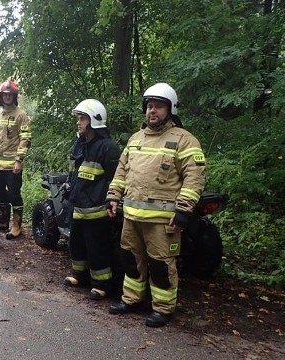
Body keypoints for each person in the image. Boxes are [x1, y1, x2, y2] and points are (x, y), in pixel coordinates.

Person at [105, 83, 206, 327]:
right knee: (130, 259)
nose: (153, 111)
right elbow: (121, 172)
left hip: (163, 220)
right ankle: (131, 299)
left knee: (161, 264)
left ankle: (163, 308)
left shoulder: (184, 140)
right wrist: (113, 196)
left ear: (170, 109)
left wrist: (184, 209)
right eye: (149, 106)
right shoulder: (136, 138)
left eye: (159, 106)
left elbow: (194, 177)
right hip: (131, 216)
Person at [62, 99, 121, 300]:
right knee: (76, 244)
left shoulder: (108, 147)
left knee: (98, 247)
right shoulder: (80, 144)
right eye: (78, 118)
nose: (78, 122)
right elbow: (75, 173)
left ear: (95, 120)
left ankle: (102, 283)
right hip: (78, 206)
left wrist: (110, 201)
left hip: (97, 209)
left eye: (83, 118)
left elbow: (117, 178)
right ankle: (80, 275)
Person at [0, 80, 32, 240]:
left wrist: (19, 160)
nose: (7, 97)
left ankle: (16, 225)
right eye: (5, 94)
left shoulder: (21, 115)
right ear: (1, 96)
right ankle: (3, 221)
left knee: (14, 194)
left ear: (14, 96)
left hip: (13, 164)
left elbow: (25, 138)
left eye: (10, 95)